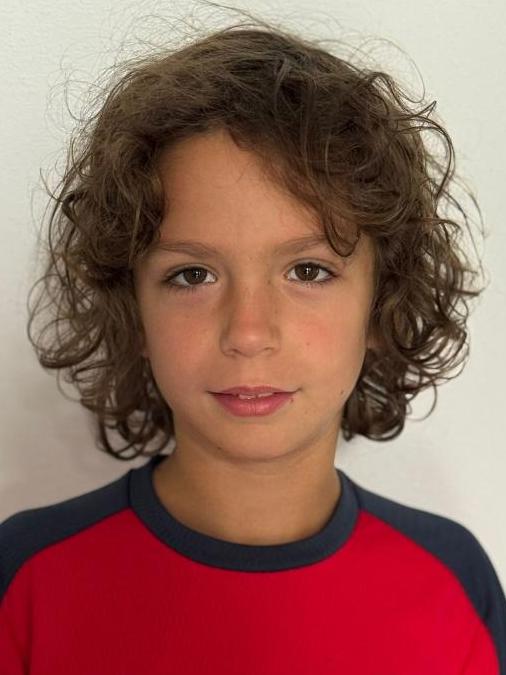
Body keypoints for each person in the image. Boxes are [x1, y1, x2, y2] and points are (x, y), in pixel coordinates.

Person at [1, 7, 505, 674]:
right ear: (134, 310)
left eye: (308, 271)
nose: (247, 332)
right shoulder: (26, 578)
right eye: (192, 275)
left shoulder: (453, 582)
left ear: (381, 303)